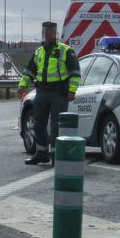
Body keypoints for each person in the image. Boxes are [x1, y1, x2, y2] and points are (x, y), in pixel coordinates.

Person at [18, 21, 81, 165]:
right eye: (45, 32)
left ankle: (56, 155)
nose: (47, 34)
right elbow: (30, 71)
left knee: (56, 125)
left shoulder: (66, 51)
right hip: (42, 92)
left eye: (50, 32)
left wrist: (72, 90)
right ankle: (41, 153)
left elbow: (75, 73)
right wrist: (23, 84)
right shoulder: (39, 51)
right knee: (38, 123)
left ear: (55, 33)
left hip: (59, 92)